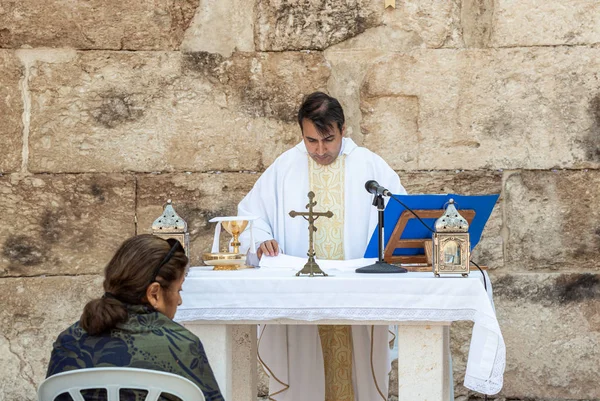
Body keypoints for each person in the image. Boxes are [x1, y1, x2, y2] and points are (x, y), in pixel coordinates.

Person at [237, 92, 407, 401]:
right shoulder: (285, 166)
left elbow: (401, 215)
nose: (319, 150)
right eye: (311, 140)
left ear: (343, 130)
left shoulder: (370, 166)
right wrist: (261, 239)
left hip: (357, 292)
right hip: (301, 295)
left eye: (327, 139)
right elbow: (250, 213)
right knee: (305, 373)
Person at [46, 234, 224, 401]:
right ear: (154, 293)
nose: (179, 300)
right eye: (179, 290)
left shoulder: (68, 340)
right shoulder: (183, 346)